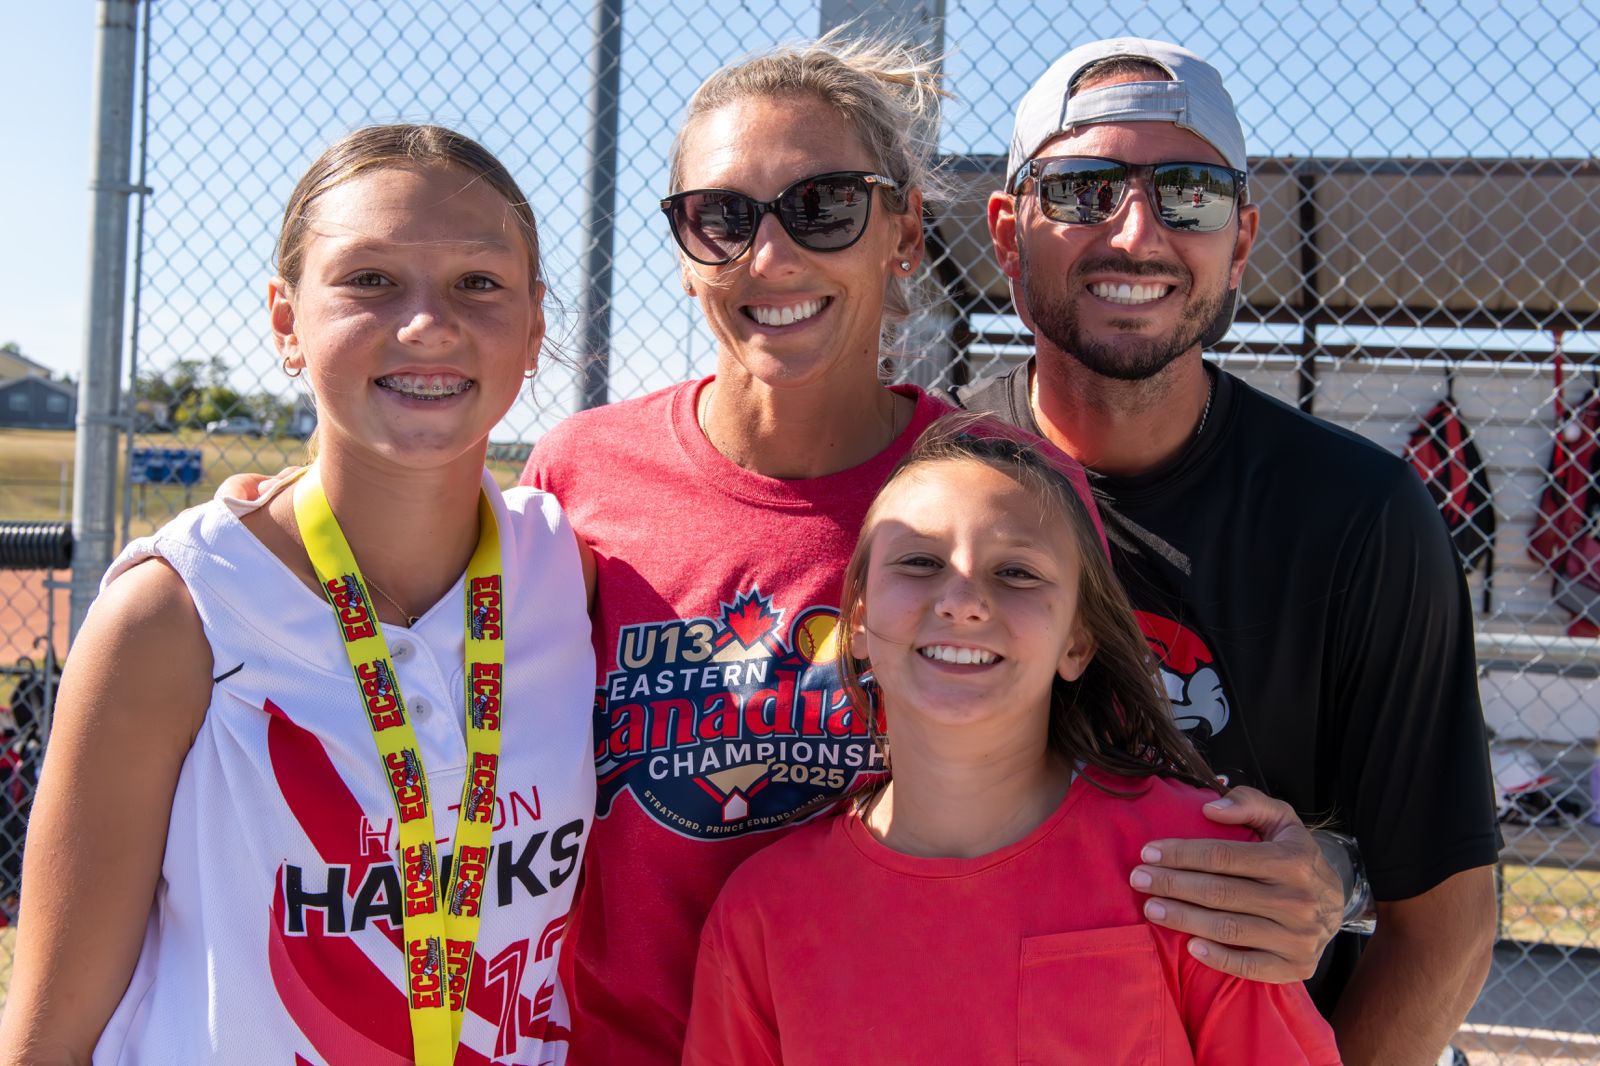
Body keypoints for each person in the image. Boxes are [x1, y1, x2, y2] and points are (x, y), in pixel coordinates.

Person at [526, 34, 1343, 1064]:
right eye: (721, 217)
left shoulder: (992, 487)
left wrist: (1304, 875)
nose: (770, 258)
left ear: (903, 232)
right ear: (685, 249)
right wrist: (286, 516)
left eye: (826, 206)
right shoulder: (581, 473)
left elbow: (1114, 790)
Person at [0, 125, 597, 1065]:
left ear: (534, 328)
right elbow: (47, 1042)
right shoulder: (175, 615)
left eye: (479, 283)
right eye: (370, 280)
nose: (428, 324)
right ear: (287, 321)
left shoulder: (567, 572)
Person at [962, 38, 1500, 1064]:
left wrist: (1329, 881)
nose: (1135, 232)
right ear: (1006, 228)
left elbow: (1445, 923)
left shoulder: (1357, 513)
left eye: (1190, 195)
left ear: (1241, 239)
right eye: (1080, 189)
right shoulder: (931, 491)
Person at [681, 415, 1343, 1065]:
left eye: (1017, 573)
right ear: (856, 624)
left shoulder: (1194, 870)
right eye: (919, 561)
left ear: (1078, 641)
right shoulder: (766, 913)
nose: (962, 600)